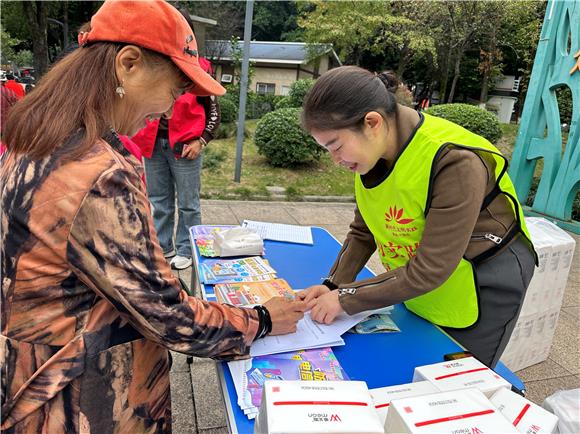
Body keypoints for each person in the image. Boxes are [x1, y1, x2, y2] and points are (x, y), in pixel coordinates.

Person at [0, 1, 306, 432]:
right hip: (78, 399)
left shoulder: (38, 134)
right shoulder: (95, 172)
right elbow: (167, 316)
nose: (167, 109)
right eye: (174, 90)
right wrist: (264, 319)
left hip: (32, 374)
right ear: (128, 64)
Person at [298, 66, 537, 368]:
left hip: (483, 276)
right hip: (422, 277)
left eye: (335, 146)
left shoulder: (455, 160)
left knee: (455, 378)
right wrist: (333, 285)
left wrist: (345, 298)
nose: (336, 160)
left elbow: (430, 269)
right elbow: (363, 231)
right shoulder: (374, 149)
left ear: (372, 122)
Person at [132, 10, 219, 270]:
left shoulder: (200, 68)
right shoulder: (151, 65)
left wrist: (201, 141)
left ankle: (187, 248)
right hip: (152, 143)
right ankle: (162, 247)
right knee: (158, 201)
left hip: (186, 145)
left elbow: (214, 111)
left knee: (189, 204)